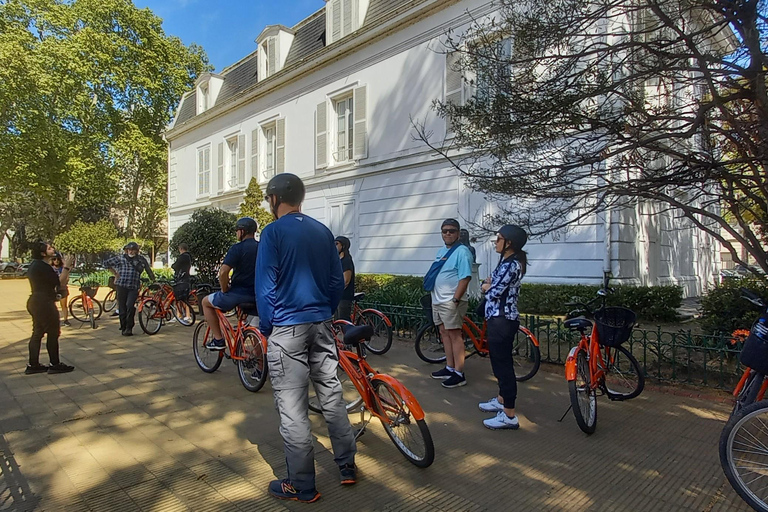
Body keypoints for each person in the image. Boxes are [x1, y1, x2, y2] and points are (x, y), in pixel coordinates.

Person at [256, 173, 355, 503]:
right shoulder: (322, 231)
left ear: (275, 199)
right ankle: (347, 466)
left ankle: (302, 484)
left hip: (287, 328)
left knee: (293, 408)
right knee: (332, 396)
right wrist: (325, 311)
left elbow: (265, 287)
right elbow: (336, 282)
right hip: (321, 323)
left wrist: (267, 327)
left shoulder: (272, 233)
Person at [479, 225, 528, 430]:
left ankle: (509, 414)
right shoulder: (506, 263)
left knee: (503, 366)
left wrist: (486, 288)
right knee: (498, 363)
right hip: (497, 319)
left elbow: (494, 291)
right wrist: (487, 285)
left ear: (509, 243)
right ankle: (501, 400)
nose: (495, 243)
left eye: (498, 239)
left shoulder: (511, 265)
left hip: (503, 320)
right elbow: (489, 281)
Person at [427, 219, 474, 388]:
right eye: (444, 231)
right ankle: (450, 367)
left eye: (452, 231)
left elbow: (465, 277)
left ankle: (459, 374)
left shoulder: (462, 252)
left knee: (455, 335)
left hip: (451, 301)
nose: (447, 233)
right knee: (444, 333)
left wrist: (455, 299)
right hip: (438, 300)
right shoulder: (442, 251)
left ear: (458, 233)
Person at [202, 217, 259, 350]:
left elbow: (223, 272)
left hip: (237, 295)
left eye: (237, 231)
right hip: (257, 296)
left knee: (205, 302)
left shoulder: (237, 248)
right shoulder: (262, 247)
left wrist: (224, 289)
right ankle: (259, 361)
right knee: (256, 332)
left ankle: (218, 340)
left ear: (242, 231)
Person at [25, 241, 75, 374]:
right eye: (49, 248)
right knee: (53, 333)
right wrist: (67, 267)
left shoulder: (36, 265)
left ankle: (33, 365)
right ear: (43, 253)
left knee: (37, 333)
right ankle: (55, 364)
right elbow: (59, 283)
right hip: (44, 303)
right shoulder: (42, 266)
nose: (52, 249)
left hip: (36, 302)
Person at [104, 242, 155, 336]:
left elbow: (148, 270)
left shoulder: (141, 260)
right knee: (122, 307)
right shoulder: (121, 258)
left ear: (136, 251)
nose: (131, 252)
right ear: (126, 250)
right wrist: (115, 273)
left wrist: (153, 280)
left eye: (133, 250)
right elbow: (106, 263)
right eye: (129, 250)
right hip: (121, 285)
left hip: (133, 287)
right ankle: (123, 326)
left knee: (130, 305)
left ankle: (129, 327)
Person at [334, 236, 355, 321]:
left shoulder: (346, 260)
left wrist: (337, 291)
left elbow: (346, 281)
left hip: (344, 296)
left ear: (343, 246)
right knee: (336, 321)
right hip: (338, 296)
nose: (334, 246)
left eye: (336, 244)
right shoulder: (338, 260)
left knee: (343, 320)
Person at [51, 252, 70, 327]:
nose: (56, 261)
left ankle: (65, 320)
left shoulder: (63, 269)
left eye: (58, 259)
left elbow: (67, 278)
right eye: (54, 259)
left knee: (64, 305)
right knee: (52, 306)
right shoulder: (50, 269)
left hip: (62, 289)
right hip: (53, 289)